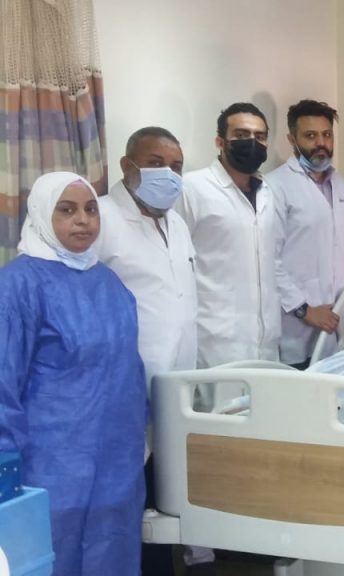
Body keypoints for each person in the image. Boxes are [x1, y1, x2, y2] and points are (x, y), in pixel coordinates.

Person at [0, 172, 147, 576]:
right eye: (66, 210)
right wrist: (5, 464)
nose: (83, 220)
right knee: (51, 554)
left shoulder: (109, 283)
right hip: (49, 466)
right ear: (42, 215)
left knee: (112, 550)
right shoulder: (17, 286)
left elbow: (128, 371)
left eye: (90, 210)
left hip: (117, 462)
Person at [93, 126, 197, 576]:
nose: (168, 174)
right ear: (127, 165)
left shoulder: (176, 223)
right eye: (156, 164)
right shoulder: (100, 219)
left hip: (173, 387)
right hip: (123, 389)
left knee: (160, 499)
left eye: (176, 167)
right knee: (125, 502)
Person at [178, 102, 282, 404]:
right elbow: (175, 262)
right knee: (219, 424)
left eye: (260, 136)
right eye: (241, 134)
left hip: (266, 338)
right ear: (220, 142)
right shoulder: (191, 189)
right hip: (216, 339)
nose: (252, 142)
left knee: (266, 419)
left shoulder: (268, 192)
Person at [265, 99, 344, 369]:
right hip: (295, 323)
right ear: (292, 139)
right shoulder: (275, 187)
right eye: (311, 136)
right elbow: (268, 260)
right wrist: (303, 310)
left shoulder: (341, 185)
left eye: (327, 134)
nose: (321, 143)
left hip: (336, 319)